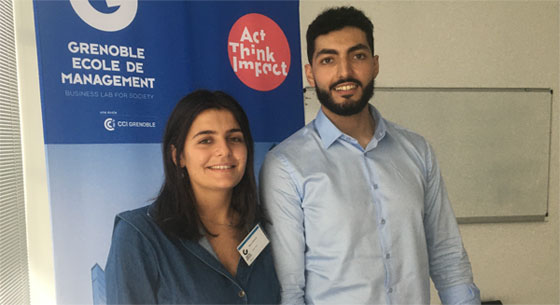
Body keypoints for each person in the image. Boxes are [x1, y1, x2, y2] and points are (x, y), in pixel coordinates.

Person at [259, 6, 480, 305]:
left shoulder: (418, 151)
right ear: (310, 73)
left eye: (357, 56)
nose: (344, 72)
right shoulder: (286, 165)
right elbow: (289, 288)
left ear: (375, 65)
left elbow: (447, 255)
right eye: (328, 60)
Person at [105, 90, 280, 304]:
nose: (224, 150)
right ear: (178, 156)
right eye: (206, 140)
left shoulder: (262, 227)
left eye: (234, 138)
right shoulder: (139, 236)